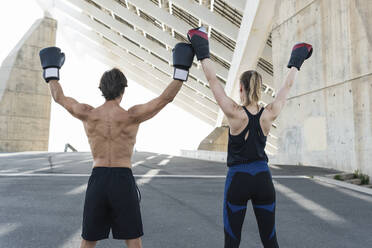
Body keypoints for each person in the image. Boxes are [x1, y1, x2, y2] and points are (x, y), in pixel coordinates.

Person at [39, 43, 195, 248]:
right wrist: (181, 70)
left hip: (99, 179)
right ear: (123, 90)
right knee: (133, 240)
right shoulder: (131, 116)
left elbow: (59, 97)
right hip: (122, 179)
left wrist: (51, 72)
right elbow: (166, 98)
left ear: (102, 90)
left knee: (88, 239)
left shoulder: (88, 114)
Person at [187, 27, 312, 248]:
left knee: (232, 241)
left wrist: (201, 47)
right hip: (263, 179)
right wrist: (297, 60)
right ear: (260, 89)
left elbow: (213, 81)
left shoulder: (234, 113)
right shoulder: (270, 113)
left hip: (238, 179)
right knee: (270, 239)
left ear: (242, 88)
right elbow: (287, 86)